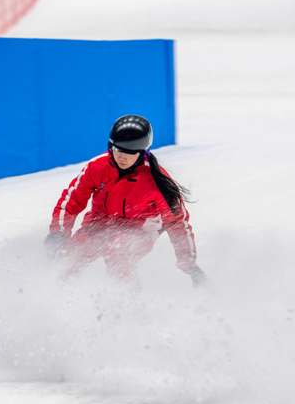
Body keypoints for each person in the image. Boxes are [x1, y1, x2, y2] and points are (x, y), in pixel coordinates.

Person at [45, 114, 205, 283]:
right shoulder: (97, 167)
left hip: (139, 229)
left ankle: (124, 302)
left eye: (130, 152)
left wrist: (189, 264)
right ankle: (59, 293)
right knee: (70, 256)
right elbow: (71, 201)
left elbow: (177, 223)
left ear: (143, 154)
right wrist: (59, 232)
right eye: (118, 149)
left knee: (118, 251)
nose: (122, 157)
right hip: (99, 223)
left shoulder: (157, 182)